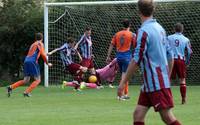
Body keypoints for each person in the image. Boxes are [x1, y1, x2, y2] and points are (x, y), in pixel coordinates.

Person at [118, 0, 182, 125]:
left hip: (156, 82)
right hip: (150, 83)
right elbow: (171, 56)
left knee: (167, 117)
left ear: (139, 12)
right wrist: (166, 76)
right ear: (153, 10)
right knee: (138, 115)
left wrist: (122, 83)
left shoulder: (144, 31)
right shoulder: (160, 29)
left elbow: (136, 60)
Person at [7, 33, 52, 97]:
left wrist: (45, 53)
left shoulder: (33, 44)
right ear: (42, 39)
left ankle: (11, 87)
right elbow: (42, 54)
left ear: (35, 38)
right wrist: (47, 63)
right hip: (33, 62)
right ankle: (26, 92)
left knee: (26, 80)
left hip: (26, 61)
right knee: (38, 80)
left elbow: (37, 53)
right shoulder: (40, 43)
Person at [106, 19, 136, 99]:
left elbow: (111, 45)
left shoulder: (117, 34)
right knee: (124, 76)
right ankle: (120, 95)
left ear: (122, 25)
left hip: (118, 57)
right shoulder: (132, 35)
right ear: (130, 25)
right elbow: (136, 46)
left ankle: (125, 94)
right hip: (127, 57)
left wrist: (108, 56)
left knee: (124, 75)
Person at [168, 23, 192, 104]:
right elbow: (189, 52)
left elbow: (164, 48)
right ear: (182, 30)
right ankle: (183, 99)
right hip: (181, 60)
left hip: (171, 60)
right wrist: (187, 62)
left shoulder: (169, 38)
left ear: (174, 29)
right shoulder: (186, 39)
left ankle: (168, 99)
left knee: (168, 80)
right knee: (182, 80)